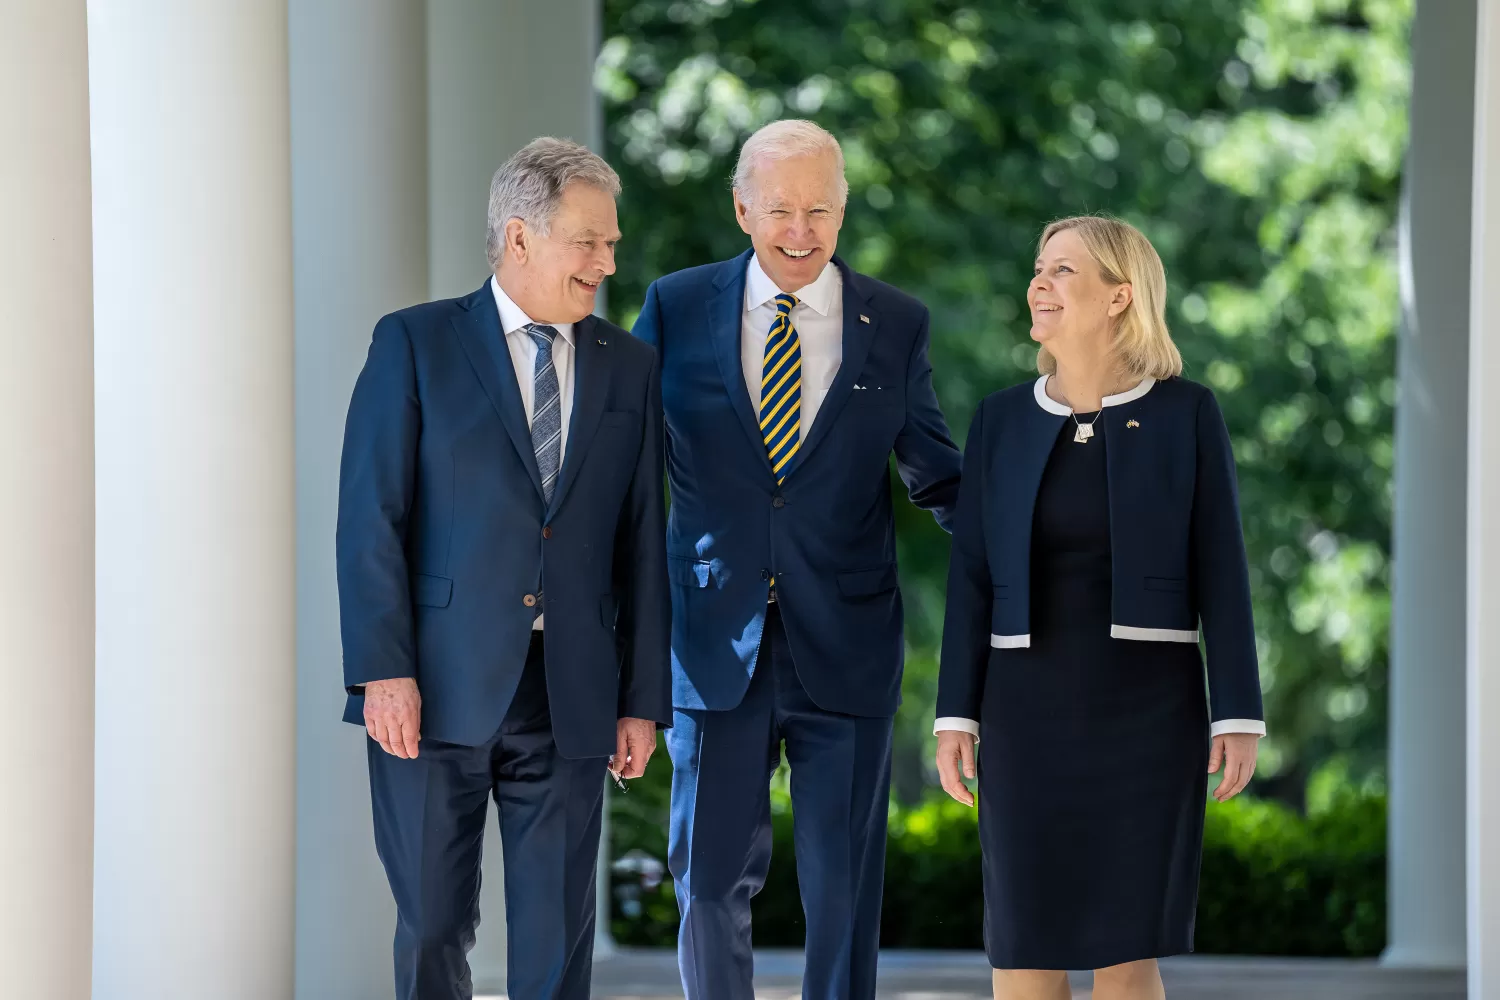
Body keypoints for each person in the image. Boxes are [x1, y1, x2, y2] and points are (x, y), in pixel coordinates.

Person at [631, 119, 963, 1000]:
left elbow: (936, 474)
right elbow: (621, 466)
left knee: (844, 891)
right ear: (742, 208)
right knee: (706, 884)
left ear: (844, 210)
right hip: (711, 642)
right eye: (780, 209)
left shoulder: (894, 322)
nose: (800, 231)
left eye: (821, 210)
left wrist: (1038, 542)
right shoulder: (674, 305)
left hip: (847, 646)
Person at [336, 137, 670, 1000]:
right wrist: (384, 670)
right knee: (435, 926)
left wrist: (641, 700)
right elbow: (372, 516)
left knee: (557, 939)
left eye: (612, 243)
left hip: (572, 690)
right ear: (520, 238)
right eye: (588, 241)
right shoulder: (414, 343)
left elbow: (641, 535)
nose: (606, 261)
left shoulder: (629, 365)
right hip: (434, 690)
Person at [934, 216, 1265, 1000]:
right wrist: (956, 716)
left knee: (1127, 952)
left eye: (1062, 272)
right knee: (1023, 948)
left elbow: (1223, 568)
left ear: (1120, 297)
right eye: (1038, 269)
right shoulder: (1000, 420)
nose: (1039, 284)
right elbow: (972, 574)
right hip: (1024, 710)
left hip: (1148, 713)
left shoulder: (1189, 414)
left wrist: (1239, 714)